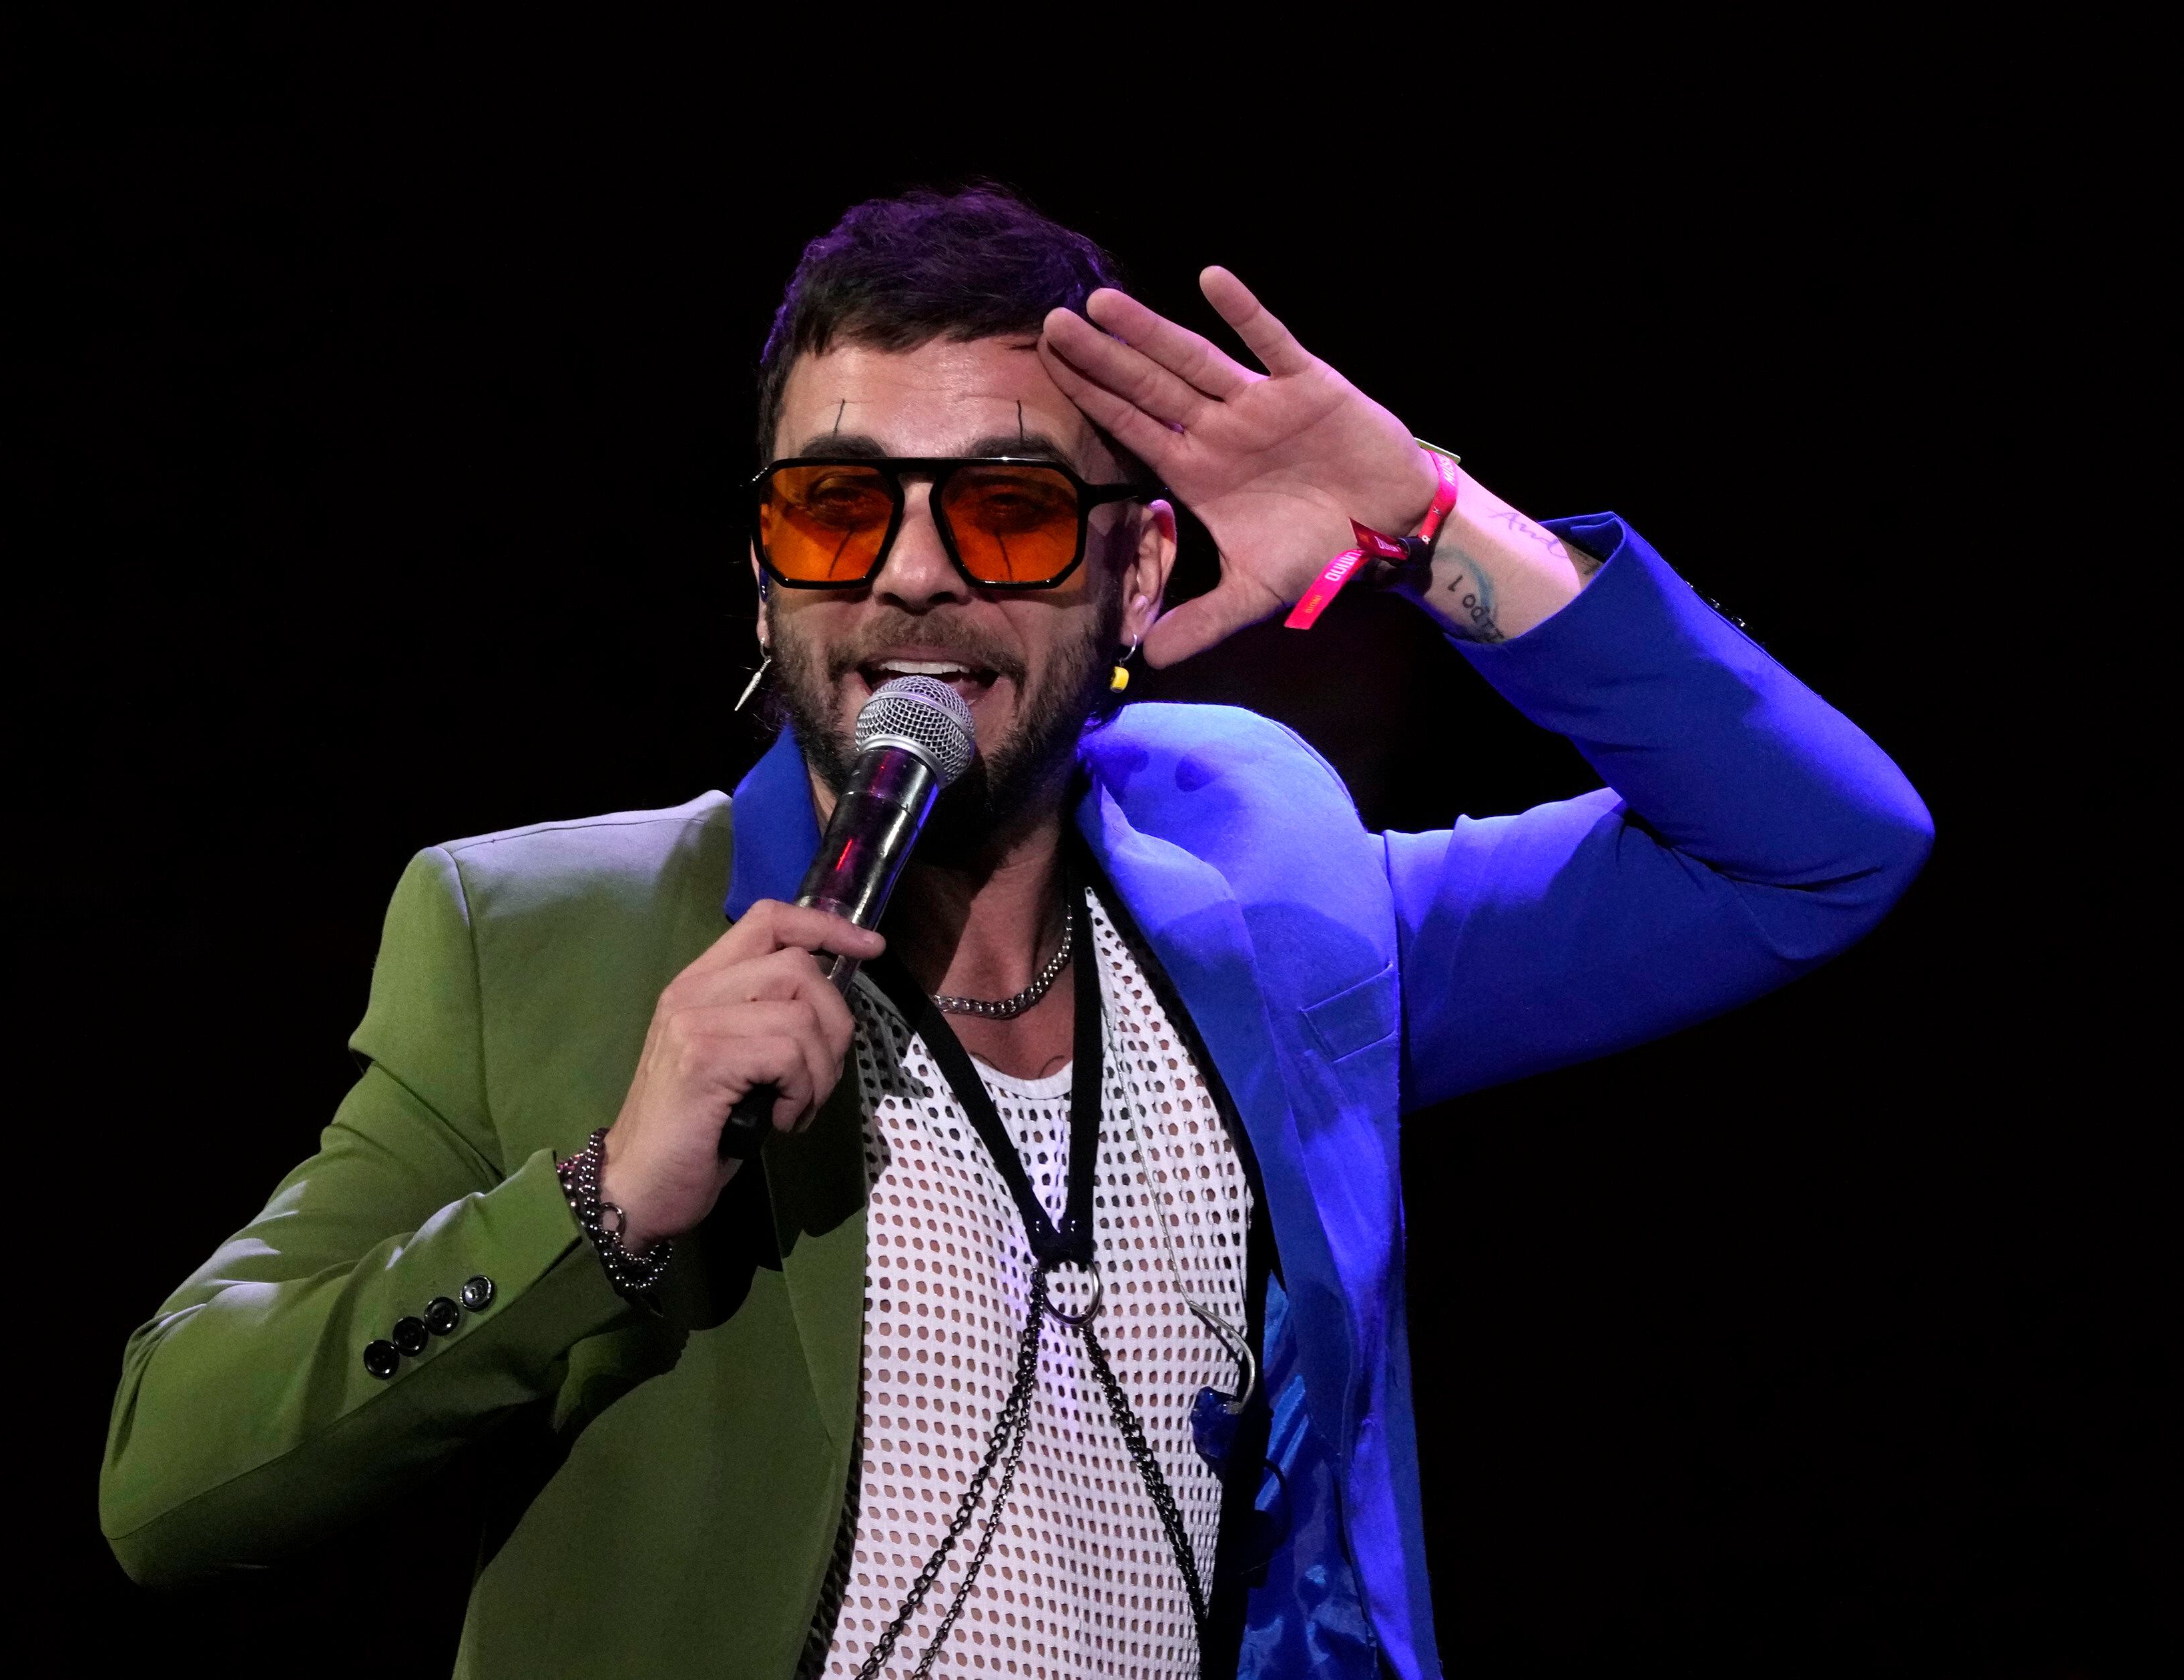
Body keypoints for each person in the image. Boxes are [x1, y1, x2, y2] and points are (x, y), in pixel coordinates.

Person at [98, 186, 1931, 1680]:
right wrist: (603, 1201)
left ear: (1138, 574)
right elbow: (172, 1485)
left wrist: (1428, 520)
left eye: (1003, 510)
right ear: (764, 571)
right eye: (836, 511)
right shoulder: (545, 933)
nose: (909, 575)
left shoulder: (1282, 901)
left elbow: (1816, 851)